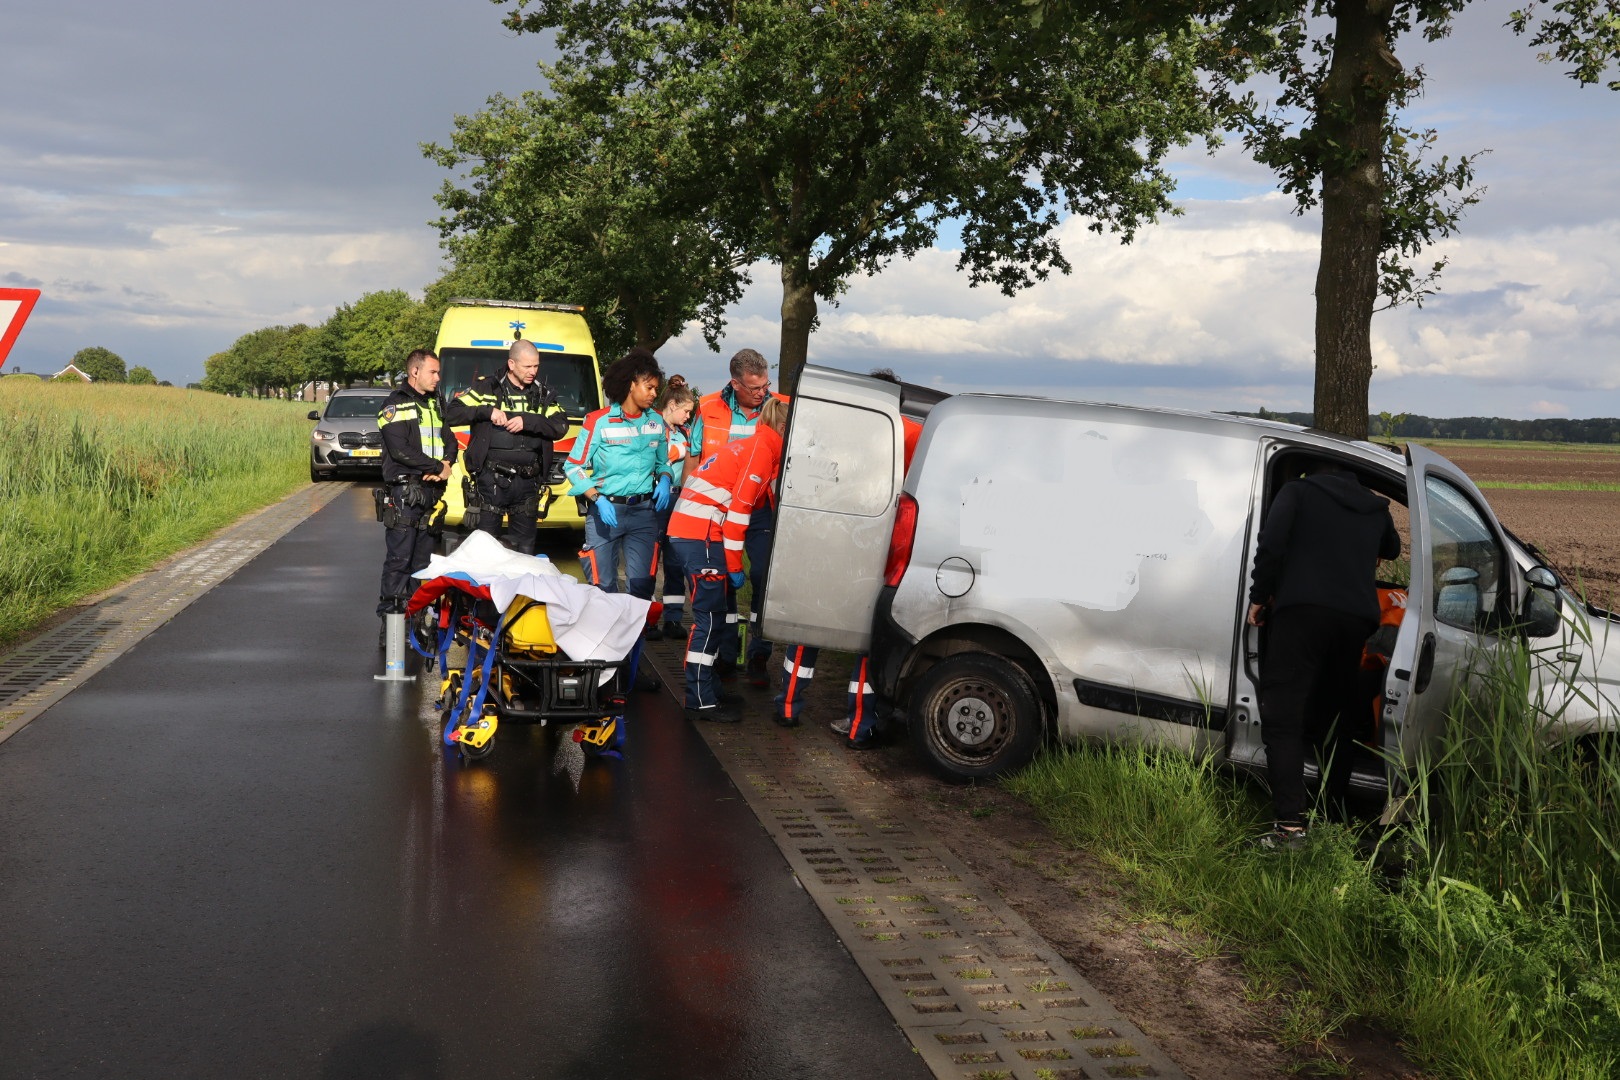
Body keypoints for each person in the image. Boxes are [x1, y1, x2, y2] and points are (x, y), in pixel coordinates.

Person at [1247, 461, 1401, 847]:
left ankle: (1290, 829)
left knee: (1283, 719)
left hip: (1301, 614)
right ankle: (1331, 816)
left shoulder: (1297, 492)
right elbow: (1393, 548)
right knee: (1336, 721)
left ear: (1310, 470)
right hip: (1354, 622)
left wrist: (1259, 597)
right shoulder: (1375, 507)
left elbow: (1270, 545)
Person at [775, 367, 923, 747]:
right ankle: (861, 726)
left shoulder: (834, 433)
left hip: (826, 543)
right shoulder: (914, 436)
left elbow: (801, 488)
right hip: (877, 551)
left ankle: (788, 707)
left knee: (808, 627)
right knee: (866, 640)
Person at [667, 398, 790, 722]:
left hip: (698, 531)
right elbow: (738, 517)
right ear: (783, 427)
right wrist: (735, 567)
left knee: (717, 616)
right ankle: (700, 700)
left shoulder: (759, 444)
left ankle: (708, 689)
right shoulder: (762, 451)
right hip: (701, 534)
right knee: (708, 619)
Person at [687, 348, 789, 686]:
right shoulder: (708, 407)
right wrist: (684, 497)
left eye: (765, 385)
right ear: (735, 384)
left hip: (760, 509)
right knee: (723, 582)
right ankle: (726, 654)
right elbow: (694, 456)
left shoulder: (780, 408)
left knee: (762, 577)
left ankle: (760, 653)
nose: (762, 393)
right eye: (754, 388)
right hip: (718, 511)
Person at [564, 348, 673, 602]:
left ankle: (635, 642)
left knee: (642, 587)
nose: (654, 394)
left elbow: (663, 461)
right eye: (649, 387)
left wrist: (666, 477)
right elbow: (572, 466)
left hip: (644, 514)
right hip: (605, 514)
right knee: (603, 588)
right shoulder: (598, 421)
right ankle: (604, 640)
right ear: (631, 383)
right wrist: (596, 498)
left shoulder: (656, 421)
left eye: (656, 388)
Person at [444, 339, 569, 555]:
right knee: (484, 550)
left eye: (536, 366)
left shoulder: (543, 394)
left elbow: (560, 426)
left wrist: (528, 421)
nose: (533, 371)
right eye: (527, 366)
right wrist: (486, 412)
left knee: (524, 551)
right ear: (512, 364)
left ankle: (516, 590)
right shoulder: (486, 388)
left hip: (527, 484)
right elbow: (451, 413)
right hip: (491, 482)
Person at [377, 350, 455, 622]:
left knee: (422, 565)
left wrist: (447, 463)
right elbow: (400, 450)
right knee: (399, 562)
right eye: (433, 372)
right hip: (405, 494)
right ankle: (391, 625)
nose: (438, 377)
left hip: (431, 494)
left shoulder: (435, 403)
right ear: (415, 372)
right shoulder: (395, 405)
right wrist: (436, 468)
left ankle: (415, 621)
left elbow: (450, 439)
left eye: (438, 372)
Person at [650, 376, 697, 640]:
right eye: (686, 411)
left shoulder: (686, 432)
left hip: (679, 501)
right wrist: (675, 453)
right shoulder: (653, 426)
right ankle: (648, 620)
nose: (688, 416)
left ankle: (673, 618)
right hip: (656, 501)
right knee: (649, 563)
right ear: (671, 405)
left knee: (676, 562)